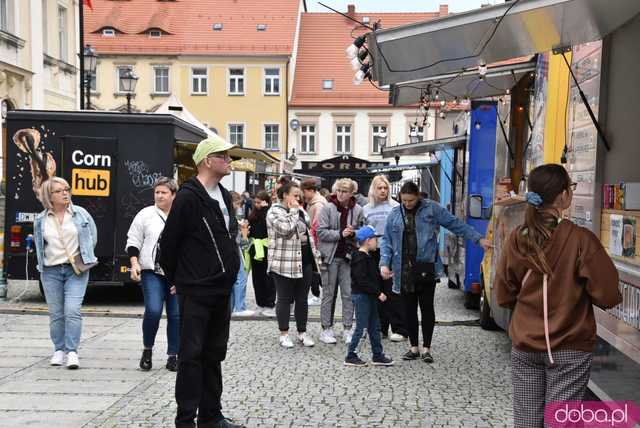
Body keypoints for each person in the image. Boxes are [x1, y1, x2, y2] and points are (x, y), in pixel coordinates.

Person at [494, 164, 621, 427]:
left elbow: (503, 294)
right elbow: (608, 294)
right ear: (564, 196)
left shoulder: (518, 238)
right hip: (569, 346)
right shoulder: (581, 239)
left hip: (526, 344)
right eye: (571, 187)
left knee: (527, 420)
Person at [159, 137, 243, 428]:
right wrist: (176, 280)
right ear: (208, 160)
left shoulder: (223, 192)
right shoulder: (187, 197)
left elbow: (227, 236)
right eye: (223, 155)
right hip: (195, 289)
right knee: (191, 356)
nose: (229, 160)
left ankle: (211, 415)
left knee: (214, 353)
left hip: (222, 289)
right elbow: (168, 244)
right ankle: (185, 420)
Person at [380, 181, 491, 364]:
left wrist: (478, 239)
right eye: (404, 200)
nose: (407, 204)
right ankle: (413, 347)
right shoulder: (394, 214)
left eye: (411, 200)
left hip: (425, 267)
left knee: (426, 308)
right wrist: (384, 263)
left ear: (418, 197)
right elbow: (387, 241)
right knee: (408, 310)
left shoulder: (431, 209)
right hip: (403, 269)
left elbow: (454, 224)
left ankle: (427, 348)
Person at [34, 177, 97, 370]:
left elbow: (92, 237)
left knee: (72, 310)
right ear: (49, 196)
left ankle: (72, 352)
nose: (65, 193)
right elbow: (39, 245)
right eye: (59, 191)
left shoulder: (81, 214)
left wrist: (83, 256)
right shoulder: (40, 220)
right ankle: (58, 349)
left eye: (67, 189)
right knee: (56, 313)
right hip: (50, 270)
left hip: (75, 270)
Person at [126, 177, 180, 372]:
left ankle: (173, 355)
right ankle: (147, 349)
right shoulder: (145, 214)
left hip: (176, 274)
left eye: (163, 192)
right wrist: (134, 263)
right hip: (152, 272)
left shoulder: (182, 215)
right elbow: (133, 240)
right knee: (154, 310)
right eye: (157, 192)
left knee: (176, 314)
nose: (159, 195)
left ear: (173, 195)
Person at [266, 181, 319, 348]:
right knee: (284, 298)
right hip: (283, 263)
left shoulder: (301, 210)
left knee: (302, 299)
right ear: (284, 195)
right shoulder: (274, 211)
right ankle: (284, 334)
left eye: (299, 195)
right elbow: (286, 228)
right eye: (295, 195)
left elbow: (307, 230)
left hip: (304, 260)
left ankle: (302, 332)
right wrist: (295, 210)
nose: (298, 198)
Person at [317, 178, 364, 345]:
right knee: (328, 294)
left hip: (348, 257)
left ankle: (347, 328)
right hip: (330, 257)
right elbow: (321, 232)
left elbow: (363, 231)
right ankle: (326, 328)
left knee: (348, 294)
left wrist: (354, 233)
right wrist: (340, 234)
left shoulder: (358, 209)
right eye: (339, 190)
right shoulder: (327, 208)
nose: (341, 193)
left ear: (352, 193)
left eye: (345, 191)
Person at [363, 175, 407, 342]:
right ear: (373, 189)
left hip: (392, 252)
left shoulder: (396, 207)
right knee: (376, 291)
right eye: (379, 188)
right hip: (373, 252)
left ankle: (399, 328)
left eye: (385, 188)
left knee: (394, 290)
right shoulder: (366, 208)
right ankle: (379, 328)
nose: (382, 191)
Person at [345, 225, 394, 367]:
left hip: (369, 297)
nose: (377, 242)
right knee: (362, 328)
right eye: (375, 239)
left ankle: (377, 355)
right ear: (368, 241)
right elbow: (362, 280)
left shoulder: (367, 257)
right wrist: (378, 293)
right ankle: (351, 355)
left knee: (375, 326)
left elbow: (370, 277)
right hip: (362, 297)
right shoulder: (360, 258)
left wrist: (384, 276)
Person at [247, 190, 276, 317]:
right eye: (256, 202)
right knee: (257, 278)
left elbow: (269, 226)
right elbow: (251, 229)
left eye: (259, 202)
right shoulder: (253, 214)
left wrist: (266, 209)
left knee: (268, 278)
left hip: (266, 247)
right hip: (255, 248)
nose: (257, 204)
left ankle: (269, 304)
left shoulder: (269, 213)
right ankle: (260, 303)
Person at [229, 191, 254, 317]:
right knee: (241, 277)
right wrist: (244, 232)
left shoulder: (230, 216)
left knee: (236, 278)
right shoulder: (231, 217)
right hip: (234, 250)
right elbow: (240, 241)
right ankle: (239, 307)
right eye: (237, 203)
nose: (239, 207)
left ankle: (235, 307)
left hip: (231, 249)